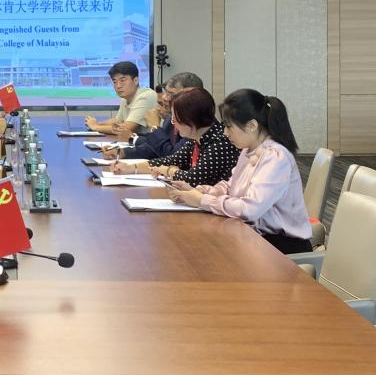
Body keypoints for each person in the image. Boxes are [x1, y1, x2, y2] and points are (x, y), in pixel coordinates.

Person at [166, 89, 312, 254]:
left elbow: (249, 210)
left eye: (229, 127)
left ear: (252, 126)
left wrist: (202, 200)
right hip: (256, 235)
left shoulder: (275, 157)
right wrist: (199, 191)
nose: (225, 133)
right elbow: (230, 186)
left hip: (281, 245)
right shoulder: (249, 149)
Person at [111, 88, 240, 187]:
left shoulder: (220, 142)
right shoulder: (198, 138)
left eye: (175, 119)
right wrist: (131, 168)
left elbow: (194, 179)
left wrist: (168, 171)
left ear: (190, 120)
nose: (173, 123)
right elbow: (172, 159)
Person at [104, 71, 205, 160]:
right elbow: (155, 149)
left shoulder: (195, 122)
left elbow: (173, 156)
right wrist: (123, 152)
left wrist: (154, 127)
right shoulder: (170, 118)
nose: (164, 97)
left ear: (191, 95)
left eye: (171, 94)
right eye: (166, 92)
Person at [84, 61, 157, 140]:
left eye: (122, 80)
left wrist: (96, 127)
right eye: (115, 82)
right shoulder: (126, 98)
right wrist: (96, 124)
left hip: (153, 145)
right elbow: (117, 121)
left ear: (135, 80)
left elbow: (125, 128)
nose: (118, 86)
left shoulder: (145, 96)